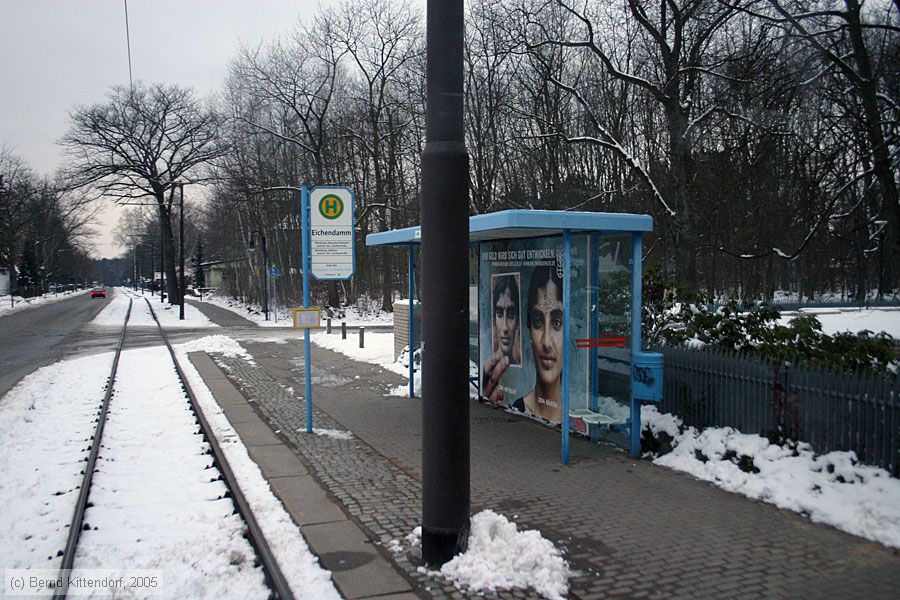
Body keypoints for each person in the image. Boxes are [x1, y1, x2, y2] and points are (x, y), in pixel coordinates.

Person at [512, 265, 563, 424]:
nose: (547, 342)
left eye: (556, 323)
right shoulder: (517, 408)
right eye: (538, 322)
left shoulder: (578, 420)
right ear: (529, 330)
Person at [481, 273, 522, 405]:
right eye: (499, 314)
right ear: (494, 319)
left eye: (511, 315)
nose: (504, 327)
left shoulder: (525, 374)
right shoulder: (489, 365)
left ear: (518, 322)